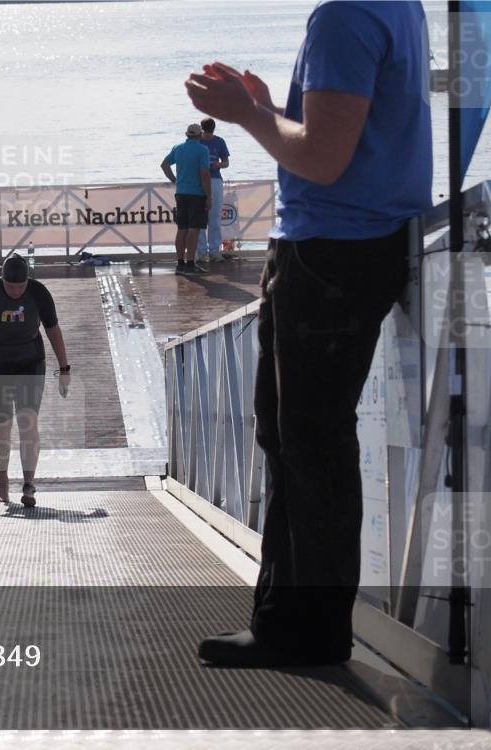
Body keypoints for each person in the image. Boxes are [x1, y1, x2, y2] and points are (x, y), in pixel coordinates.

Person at [185, 1, 432, 667]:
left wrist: (247, 115)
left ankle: (307, 631)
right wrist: (269, 108)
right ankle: (290, 622)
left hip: (331, 250)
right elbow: (351, 135)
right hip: (362, 243)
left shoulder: (344, 14)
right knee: (296, 438)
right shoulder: (396, 6)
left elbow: (322, 160)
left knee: (308, 445)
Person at [0, 254, 70, 507]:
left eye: (21, 287)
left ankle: (29, 484)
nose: (16, 292)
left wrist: (64, 369)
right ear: (3, 280)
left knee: (28, 421)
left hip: (30, 362)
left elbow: (53, 331)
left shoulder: (39, 293)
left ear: (27, 281)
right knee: (2, 424)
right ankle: (3, 482)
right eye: (11, 287)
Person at [161, 123, 212, 275]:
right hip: (196, 194)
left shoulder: (178, 148)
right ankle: (190, 264)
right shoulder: (202, 150)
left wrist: (175, 180)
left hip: (181, 193)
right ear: (200, 134)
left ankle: (180, 263)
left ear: (187, 134)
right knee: (193, 229)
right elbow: (204, 174)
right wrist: (209, 196)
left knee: (182, 228)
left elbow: (164, 165)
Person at [196, 117, 231, 263]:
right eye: (206, 132)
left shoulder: (220, 141)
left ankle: (214, 251)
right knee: (199, 217)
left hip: (215, 179)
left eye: (210, 132)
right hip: (198, 181)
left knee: (215, 216)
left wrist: (219, 165)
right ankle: (201, 252)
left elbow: (226, 162)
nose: (208, 135)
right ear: (201, 130)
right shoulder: (196, 141)